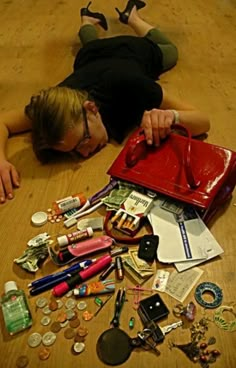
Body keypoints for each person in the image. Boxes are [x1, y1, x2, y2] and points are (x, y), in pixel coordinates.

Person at [0, 0, 210, 204]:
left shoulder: (131, 85)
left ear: (91, 108)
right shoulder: (55, 106)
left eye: (84, 140)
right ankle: (88, 20)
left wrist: (170, 116)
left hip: (132, 50)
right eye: (74, 151)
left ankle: (133, 18)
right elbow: (3, 121)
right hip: (91, 56)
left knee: (169, 49)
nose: (83, 154)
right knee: (92, 46)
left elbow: (203, 120)